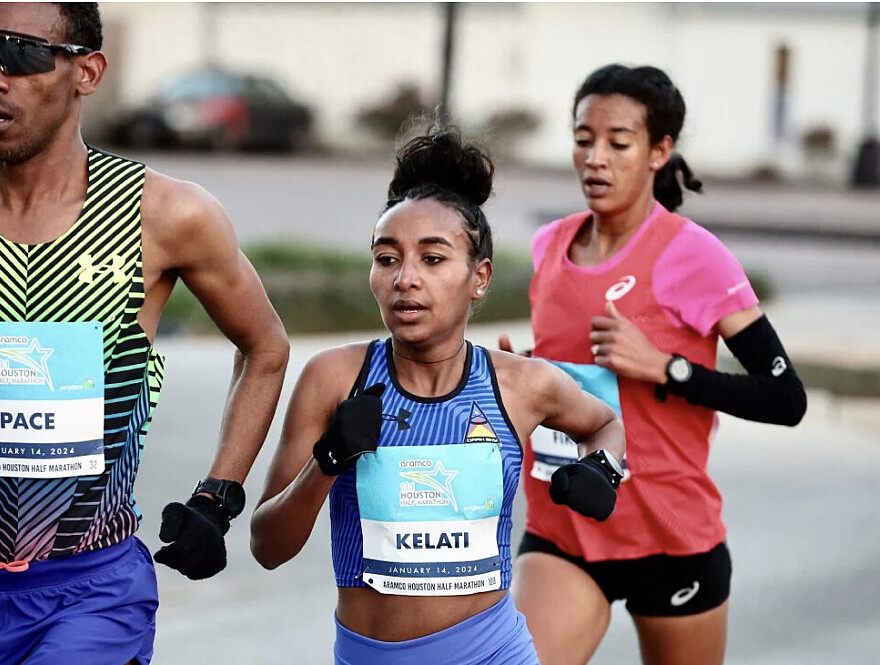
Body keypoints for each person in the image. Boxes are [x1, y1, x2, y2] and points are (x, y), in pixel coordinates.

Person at [0, 3, 289, 664]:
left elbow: (265, 346)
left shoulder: (167, 215)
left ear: (86, 72)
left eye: (19, 53)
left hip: (94, 593)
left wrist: (217, 495)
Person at [249, 126, 626, 665]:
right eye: (387, 258)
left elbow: (604, 423)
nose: (405, 279)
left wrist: (602, 469)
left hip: (495, 654)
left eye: (432, 259)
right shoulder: (334, 378)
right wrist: (327, 461)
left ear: (480, 277)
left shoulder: (522, 384)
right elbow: (267, 548)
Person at [502, 64, 808, 665]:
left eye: (618, 143)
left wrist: (667, 368)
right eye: (583, 139)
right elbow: (574, 377)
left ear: (658, 152)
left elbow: (786, 397)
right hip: (566, 527)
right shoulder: (550, 245)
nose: (596, 158)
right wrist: (523, 375)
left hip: (670, 538)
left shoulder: (692, 254)